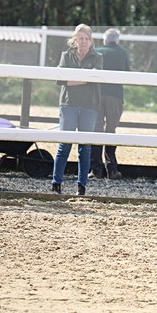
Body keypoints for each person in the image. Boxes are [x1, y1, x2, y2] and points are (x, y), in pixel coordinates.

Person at [51, 24, 103, 196]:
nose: (83, 41)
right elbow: (59, 79)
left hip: (90, 106)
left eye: (86, 38)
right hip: (69, 104)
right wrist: (84, 78)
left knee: (85, 147)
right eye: (80, 38)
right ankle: (56, 182)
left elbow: (96, 78)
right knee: (64, 144)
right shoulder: (66, 56)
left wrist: (72, 79)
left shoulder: (97, 57)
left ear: (91, 40)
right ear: (75, 39)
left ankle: (82, 185)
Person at [89, 28, 131, 180]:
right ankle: (112, 169)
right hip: (115, 95)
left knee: (97, 130)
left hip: (97, 95)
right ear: (117, 40)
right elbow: (127, 72)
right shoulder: (123, 53)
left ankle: (96, 169)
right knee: (111, 130)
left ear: (104, 39)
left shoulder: (97, 51)